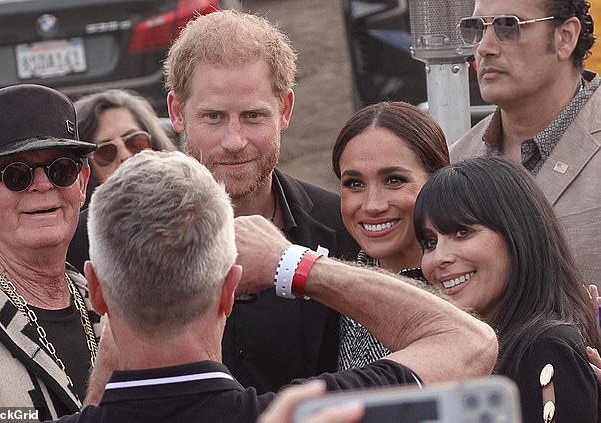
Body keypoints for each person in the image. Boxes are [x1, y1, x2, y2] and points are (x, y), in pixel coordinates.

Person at [55, 149, 497, 422]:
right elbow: (469, 341)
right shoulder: (309, 416)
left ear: (95, 290)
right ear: (230, 289)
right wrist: (297, 265)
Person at [164, 9, 359, 393]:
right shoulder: (113, 237)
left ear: (285, 110)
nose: (234, 141)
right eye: (214, 117)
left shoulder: (342, 227)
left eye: (253, 116)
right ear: (176, 112)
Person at [413, 156, 601, 422]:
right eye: (429, 243)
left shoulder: (546, 346)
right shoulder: (470, 350)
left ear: (517, 234)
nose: (439, 257)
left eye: (462, 232)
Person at [0, 84, 102, 420]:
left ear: (82, 182)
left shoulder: (115, 304)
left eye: (61, 169)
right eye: (15, 174)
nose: (42, 185)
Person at [452, 0, 601, 289]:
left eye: (508, 26)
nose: (485, 47)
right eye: (476, 28)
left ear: (565, 36)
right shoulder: (455, 160)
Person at [331, 101, 449, 369]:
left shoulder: (468, 288)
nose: (373, 205)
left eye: (394, 180)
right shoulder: (332, 290)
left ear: (438, 180)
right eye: (354, 184)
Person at [66, 89, 177, 272]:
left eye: (135, 142)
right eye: (106, 151)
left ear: (154, 145)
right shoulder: (77, 240)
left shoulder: (194, 208)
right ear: (88, 171)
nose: (125, 156)